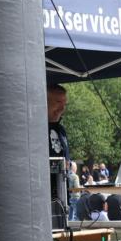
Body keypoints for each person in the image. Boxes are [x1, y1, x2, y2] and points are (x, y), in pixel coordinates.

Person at [47, 84, 71, 226]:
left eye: (64, 104)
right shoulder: (35, 127)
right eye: (58, 102)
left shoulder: (61, 130)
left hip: (62, 198)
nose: (62, 108)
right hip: (45, 198)